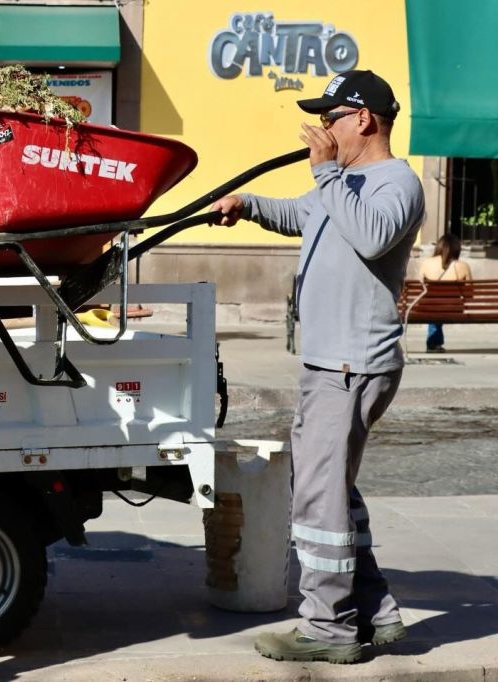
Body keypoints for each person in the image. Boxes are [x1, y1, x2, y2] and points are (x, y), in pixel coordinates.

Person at [211, 70, 425, 664]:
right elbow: (299, 214)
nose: (323, 127)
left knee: (319, 498)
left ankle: (328, 630)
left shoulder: (394, 182)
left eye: (332, 116)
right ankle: (376, 610)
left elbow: (374, 235)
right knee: (334, 491)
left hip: (352, 363)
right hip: (331, 361)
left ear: (364, 119)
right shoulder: (344, 181)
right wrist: (248, 204)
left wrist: (326, 171)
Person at [418, 233, 471, 352]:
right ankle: (434, 344)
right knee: (439, 307)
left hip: (428, 307)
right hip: (453, 307)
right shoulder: (463, 265)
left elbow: (420, 288)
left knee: (434, 306)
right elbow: (469, 294)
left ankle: (433, 343)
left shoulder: (427, 263)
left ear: (439, 247)